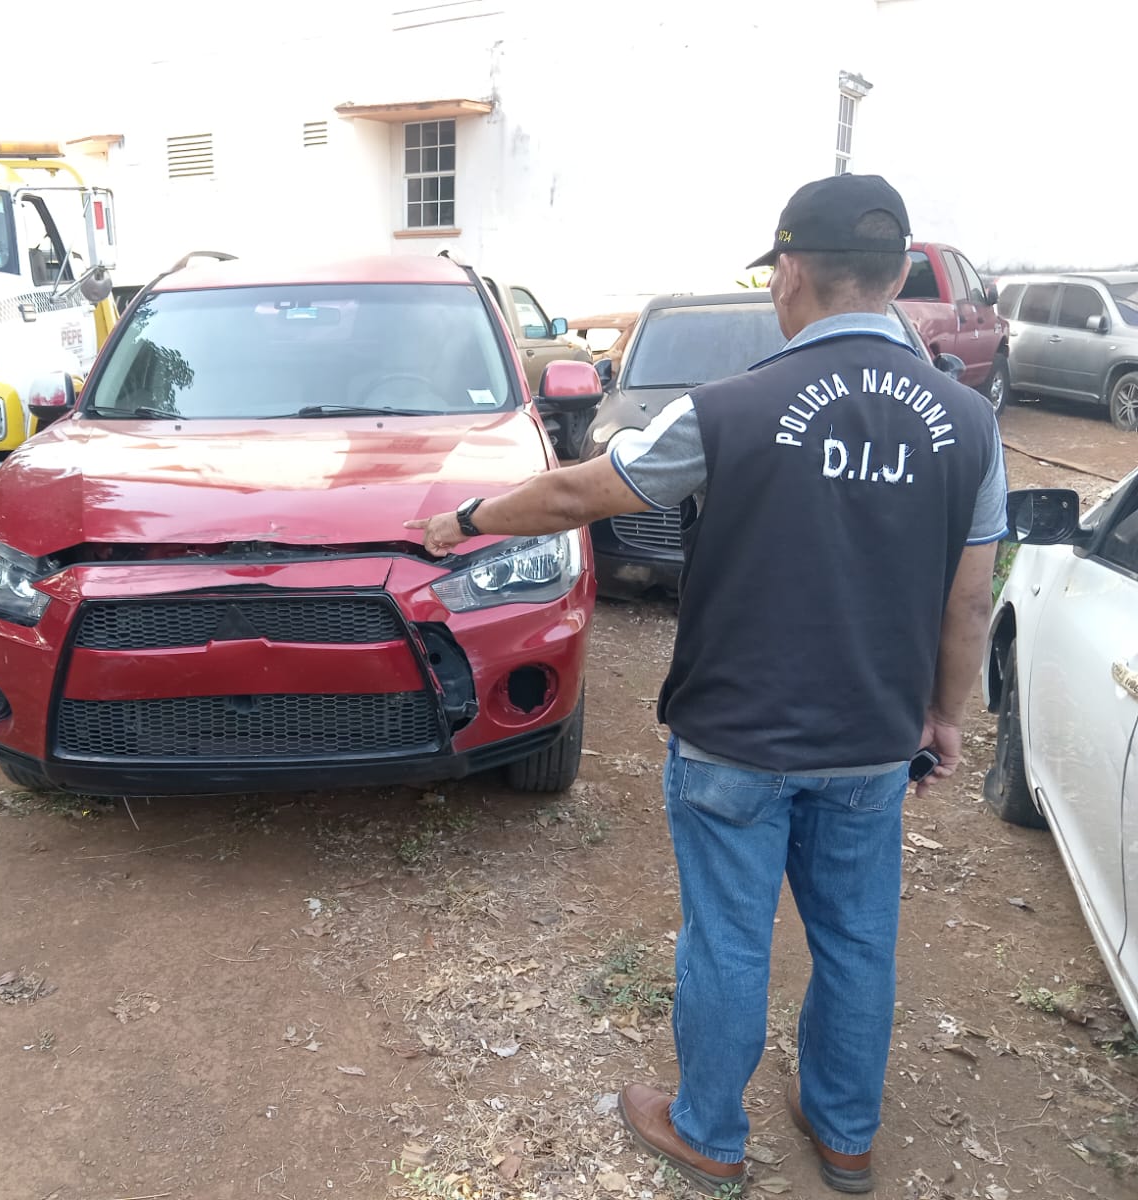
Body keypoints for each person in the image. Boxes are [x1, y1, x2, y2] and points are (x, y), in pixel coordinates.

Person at [406, 174, 1007, 1196]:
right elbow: (968, 598)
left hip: (736, 735)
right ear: (898, 273)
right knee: (857, 938)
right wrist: (943, 715)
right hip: (873, 739)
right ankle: (845, 1133)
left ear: (793, 272)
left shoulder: (731, 408)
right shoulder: (967, 421)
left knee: (728, 937)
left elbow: (578, 491)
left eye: (774, 271)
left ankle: (709, 1133)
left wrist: (463, 522)